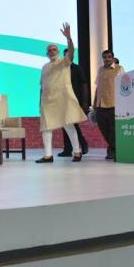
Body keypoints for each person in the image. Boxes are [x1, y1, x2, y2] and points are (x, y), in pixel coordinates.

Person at [36, 23, 87, 163]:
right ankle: (48, 155)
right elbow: (42, 86)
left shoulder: (64, 62)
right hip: (47, 101)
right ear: (46, 54)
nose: (52, 51)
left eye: (54, 49)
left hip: (62, 99)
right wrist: (40, 103)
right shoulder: (44, 67)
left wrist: (69, 39)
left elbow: (71, 52)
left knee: (68, 125)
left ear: (58, 51)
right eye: (49, 50)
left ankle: (77, 152)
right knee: (46, 128)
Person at [93, 49, 125, 160]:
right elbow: (98, 87)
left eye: (109, 57)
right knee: (104, 130)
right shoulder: (100, 70)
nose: (107, 59)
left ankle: (115, 151)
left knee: (113, 131)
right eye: (105, 57)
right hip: (100, 105)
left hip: (114, 104)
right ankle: (113, 149)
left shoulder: (119, 69)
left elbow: (124, 86)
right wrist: (94, 103)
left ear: (112, 58)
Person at [59, 48, 89, 157]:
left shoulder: (77, 68)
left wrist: (85, 102)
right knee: (65, 124)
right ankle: (68, 149)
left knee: (72, 124)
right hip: (63, 100)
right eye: (65, 55)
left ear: (72, 56)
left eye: (69, 55)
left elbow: (84, 85)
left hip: (75, 100)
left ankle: (82, 144)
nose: (67, 57)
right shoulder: (60, 69)